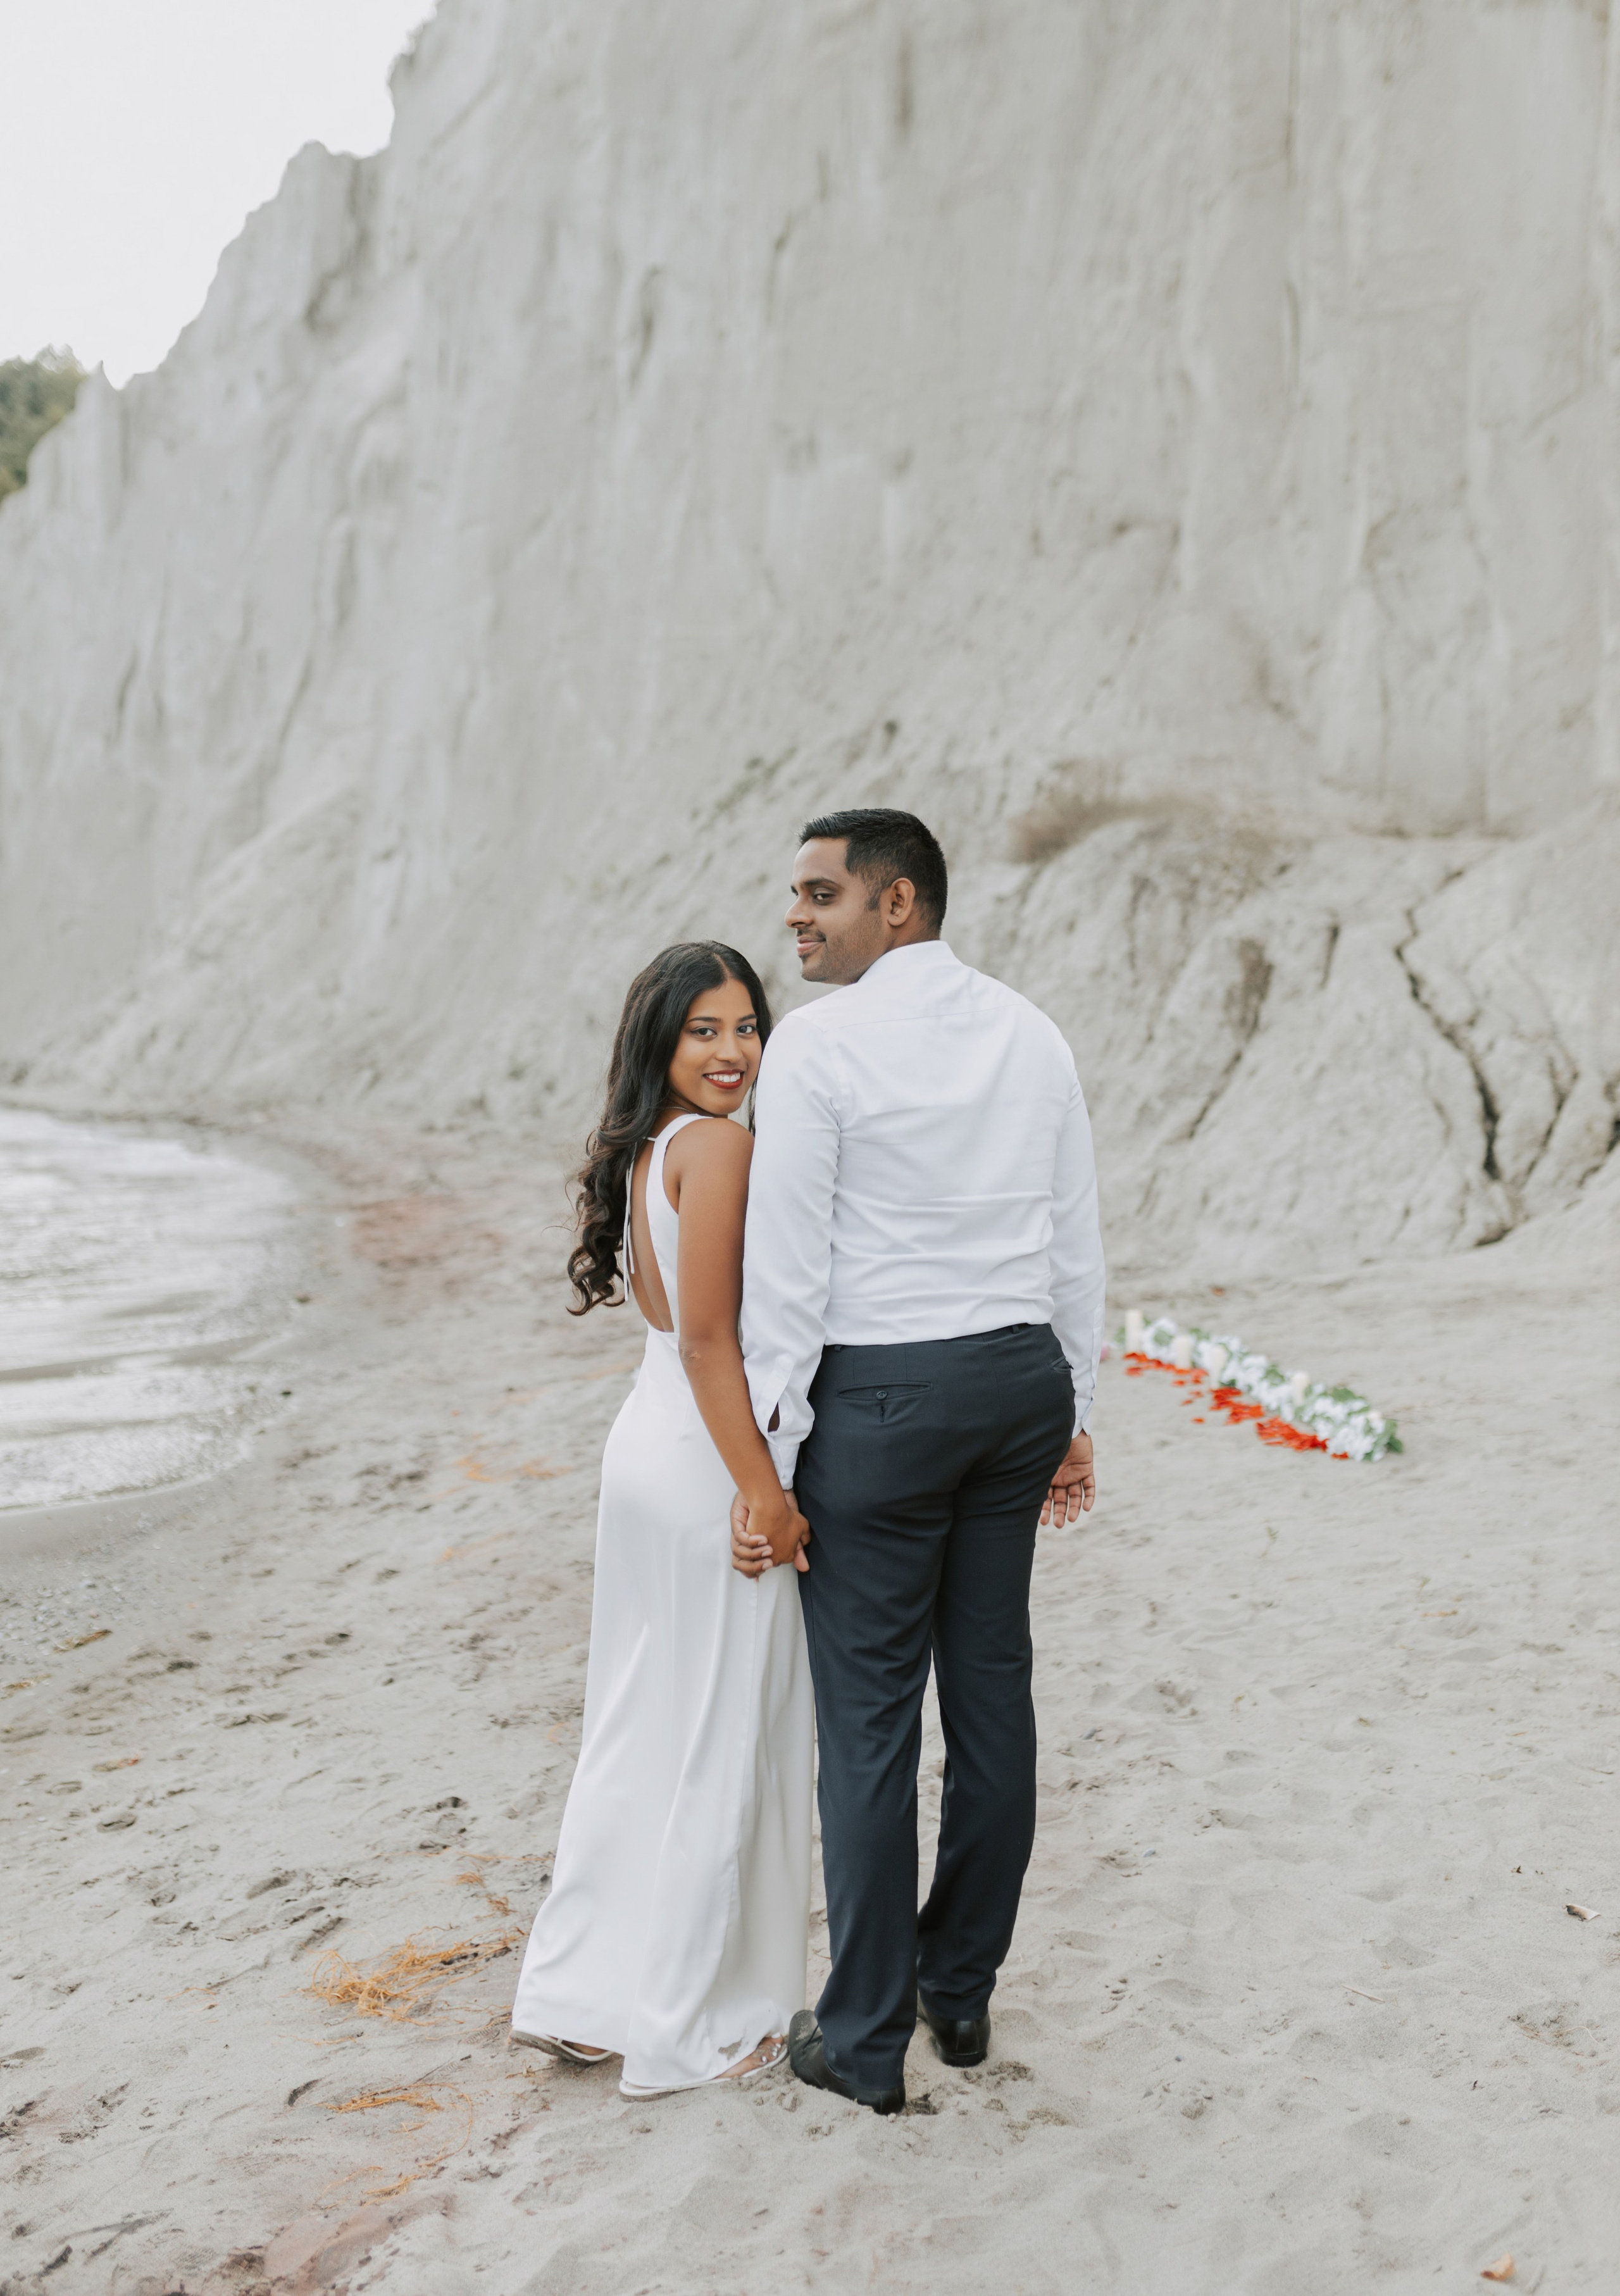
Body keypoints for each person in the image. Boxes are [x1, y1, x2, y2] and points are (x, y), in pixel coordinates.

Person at [733, 809, 1104, 2116]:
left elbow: (786, 1277)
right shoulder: (1029, 1029)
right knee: (992, 1687)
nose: (795, 916)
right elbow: (1071, 1232)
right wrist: (1074, 1400)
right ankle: (959, 1990)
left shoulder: (820, 1044)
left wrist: (768, 1470)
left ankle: (866, 2034)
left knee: (871, 1721)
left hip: (884, 1396)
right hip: (1013, 1381)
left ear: (898, 903)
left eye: (819, 893)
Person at [510, 942, 813, 2099]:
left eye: (747, 1026)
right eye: (705, 1032)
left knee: (639, 1720)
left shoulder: (648, 1150)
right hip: (702, 1455)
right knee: (724, 1729)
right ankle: (704, 2019)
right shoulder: (723, 1147)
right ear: (662, 1043)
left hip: (642, 1449)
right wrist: (766, 1493)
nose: (735, 1052)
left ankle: (583, 1996)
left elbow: (677, 1337)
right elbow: (709, 1343)